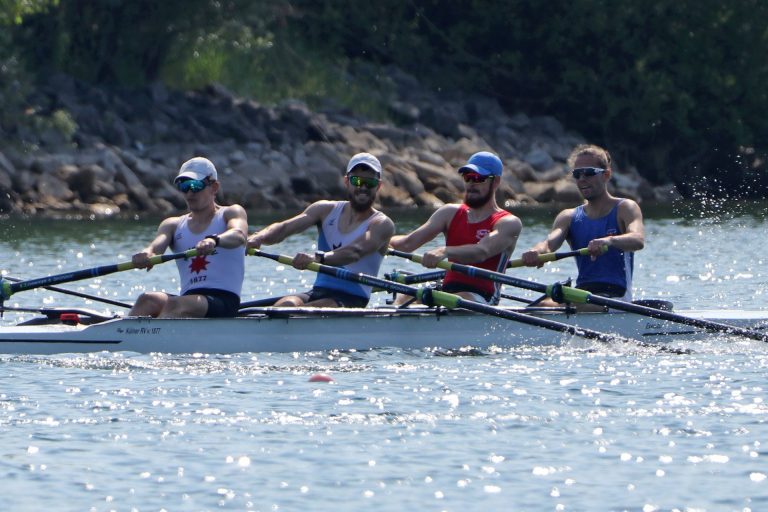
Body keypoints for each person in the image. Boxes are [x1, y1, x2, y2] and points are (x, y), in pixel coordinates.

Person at [247, 152, 395, 307]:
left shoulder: (382, 224)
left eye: (369, 182)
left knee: (301, 313)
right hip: (318, 291)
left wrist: (316, 258)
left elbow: (355, 252)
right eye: (356, 181)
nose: (363, 187)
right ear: (346, 181)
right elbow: (284, 228)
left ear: (378, 186)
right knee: (285, 305)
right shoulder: (324, 210)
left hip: (352, 298)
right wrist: (258, 238)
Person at [389, 151, 522, 305]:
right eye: (467, 177)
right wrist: (381, 241)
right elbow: (406, 244)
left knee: (457, 299)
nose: (471, 184)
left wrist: (445, 251)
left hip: (482, 297)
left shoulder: (509, 223)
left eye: (478, 178)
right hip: (448, 292)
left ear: (496, 181)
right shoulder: (449, 213)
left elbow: (482, 252)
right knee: (404, 297)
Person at [521, 143, 644, 308]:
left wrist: (609, 241)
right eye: (577, 174)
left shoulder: (625, 208)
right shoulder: (568, 217)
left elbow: (638, 239)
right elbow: (549, 244)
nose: (582, 179)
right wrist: (536, 251)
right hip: (583, 295)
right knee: (538, 306)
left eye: (589, 173)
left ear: (606, 174)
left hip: (616, 299)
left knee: (545, 307)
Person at [129, 157, 249, 318]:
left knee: (175, 305)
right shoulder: (172, 224)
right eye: (184, 186)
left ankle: (156, 333)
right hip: (189, 300)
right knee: (147, 299)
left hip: (223, 300)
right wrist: (146, 254)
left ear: (214, 187)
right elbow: (155, 248)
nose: (190, 193)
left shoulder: (231, 212)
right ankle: (120, 333)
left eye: (195, 185)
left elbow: (239, 235)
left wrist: (214, 241)